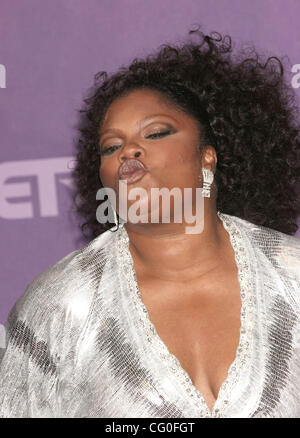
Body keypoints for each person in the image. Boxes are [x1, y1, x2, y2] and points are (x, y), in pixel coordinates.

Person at [0, 28, 300, 418]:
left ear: (208, 156)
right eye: (111, 146)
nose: (129, 150)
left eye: (156, 133)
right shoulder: (62, 303)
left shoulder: (291, 276)